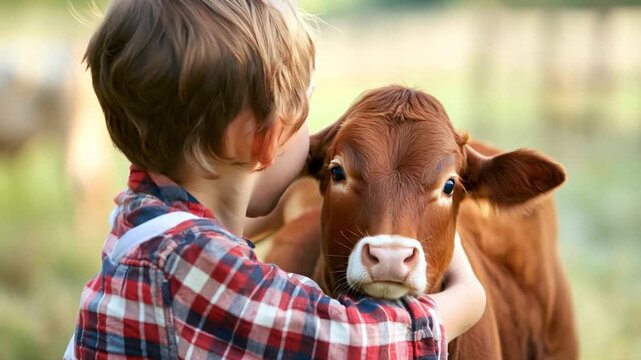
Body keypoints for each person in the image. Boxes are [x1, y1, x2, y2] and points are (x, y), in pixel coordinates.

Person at [68, 0, 486, 358]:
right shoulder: (198, 266)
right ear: (265, 139)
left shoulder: (142, 219)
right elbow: (350, 346)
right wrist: (464, 300)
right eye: (304, 113)